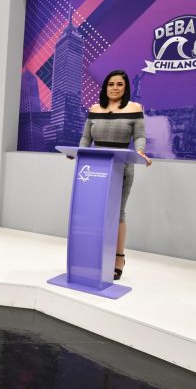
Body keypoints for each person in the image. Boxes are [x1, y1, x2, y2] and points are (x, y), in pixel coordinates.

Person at [78, 70, 152, 280]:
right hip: (94, 168)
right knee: (93, 212)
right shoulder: (94, 109)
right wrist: (78, 153)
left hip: (121, 168)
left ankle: (118, 258)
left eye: (120, 84)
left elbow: (139, 136)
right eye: (111, 84)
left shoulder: (135, 108)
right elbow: (85, 137)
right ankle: (93, 254)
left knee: (117, 212)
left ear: (125, 87)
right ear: (105, 87)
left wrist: (140, 151)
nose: (115, 88)